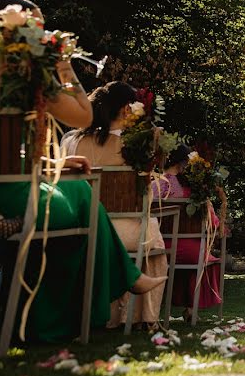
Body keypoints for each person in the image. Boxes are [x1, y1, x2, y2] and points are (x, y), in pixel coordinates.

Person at [0, 0, 165, 341]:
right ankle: (55, 318)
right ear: (24, 30)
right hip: (8, 203)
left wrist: (51, 163)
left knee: (74, 191)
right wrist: (63, 68)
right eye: (40, 28)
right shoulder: (24, 72)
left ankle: (51, 317)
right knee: (80, 194)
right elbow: (84, 114)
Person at [63, 81, 168, 330]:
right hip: (126, 231)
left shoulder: (71, 142)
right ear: (126, 110)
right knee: (153, 238)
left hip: (79, 224)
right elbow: (151, 186)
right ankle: (138, 318)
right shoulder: (138, 144)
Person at [153, 145, 222, 321]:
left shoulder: (153, 186)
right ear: (184, 164)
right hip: (191, 251)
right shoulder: (195, 191)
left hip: (157, 247)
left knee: (188, 255)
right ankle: (191, 309)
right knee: (203, 256)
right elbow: (212, 224)